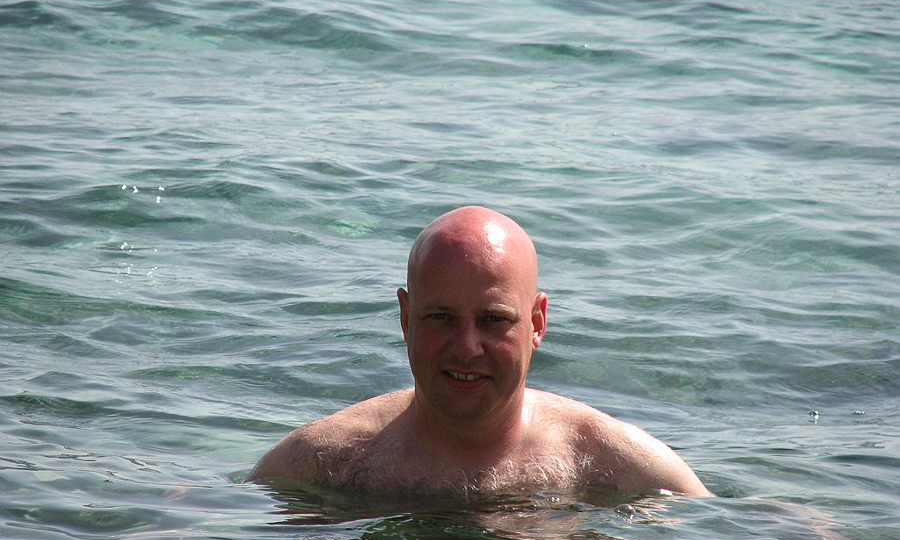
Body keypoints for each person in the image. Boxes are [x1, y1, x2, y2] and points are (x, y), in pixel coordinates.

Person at [250, 206, 711, 496]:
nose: (467, 347)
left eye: (493, 320)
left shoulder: (618, 465)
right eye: (441, 318)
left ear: (537, 323)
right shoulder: (322, 460)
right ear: (406, 317)